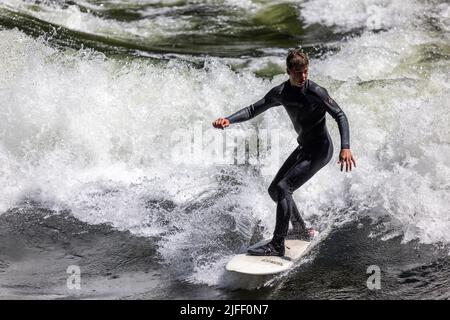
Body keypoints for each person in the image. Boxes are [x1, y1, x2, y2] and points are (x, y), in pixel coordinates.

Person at [212, 49, 356, 257]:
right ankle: (299, 229)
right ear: (288, 72)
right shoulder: (281, 93)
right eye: (298, 73)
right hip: (304, 148)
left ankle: (277, 244)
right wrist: (228, 119)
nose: (303, 77)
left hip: (320, 150)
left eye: (305, 71)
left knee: (283, 187)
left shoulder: (317, 92)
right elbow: (253, 110)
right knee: (275, 191)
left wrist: (346, 147)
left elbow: (340, 115)